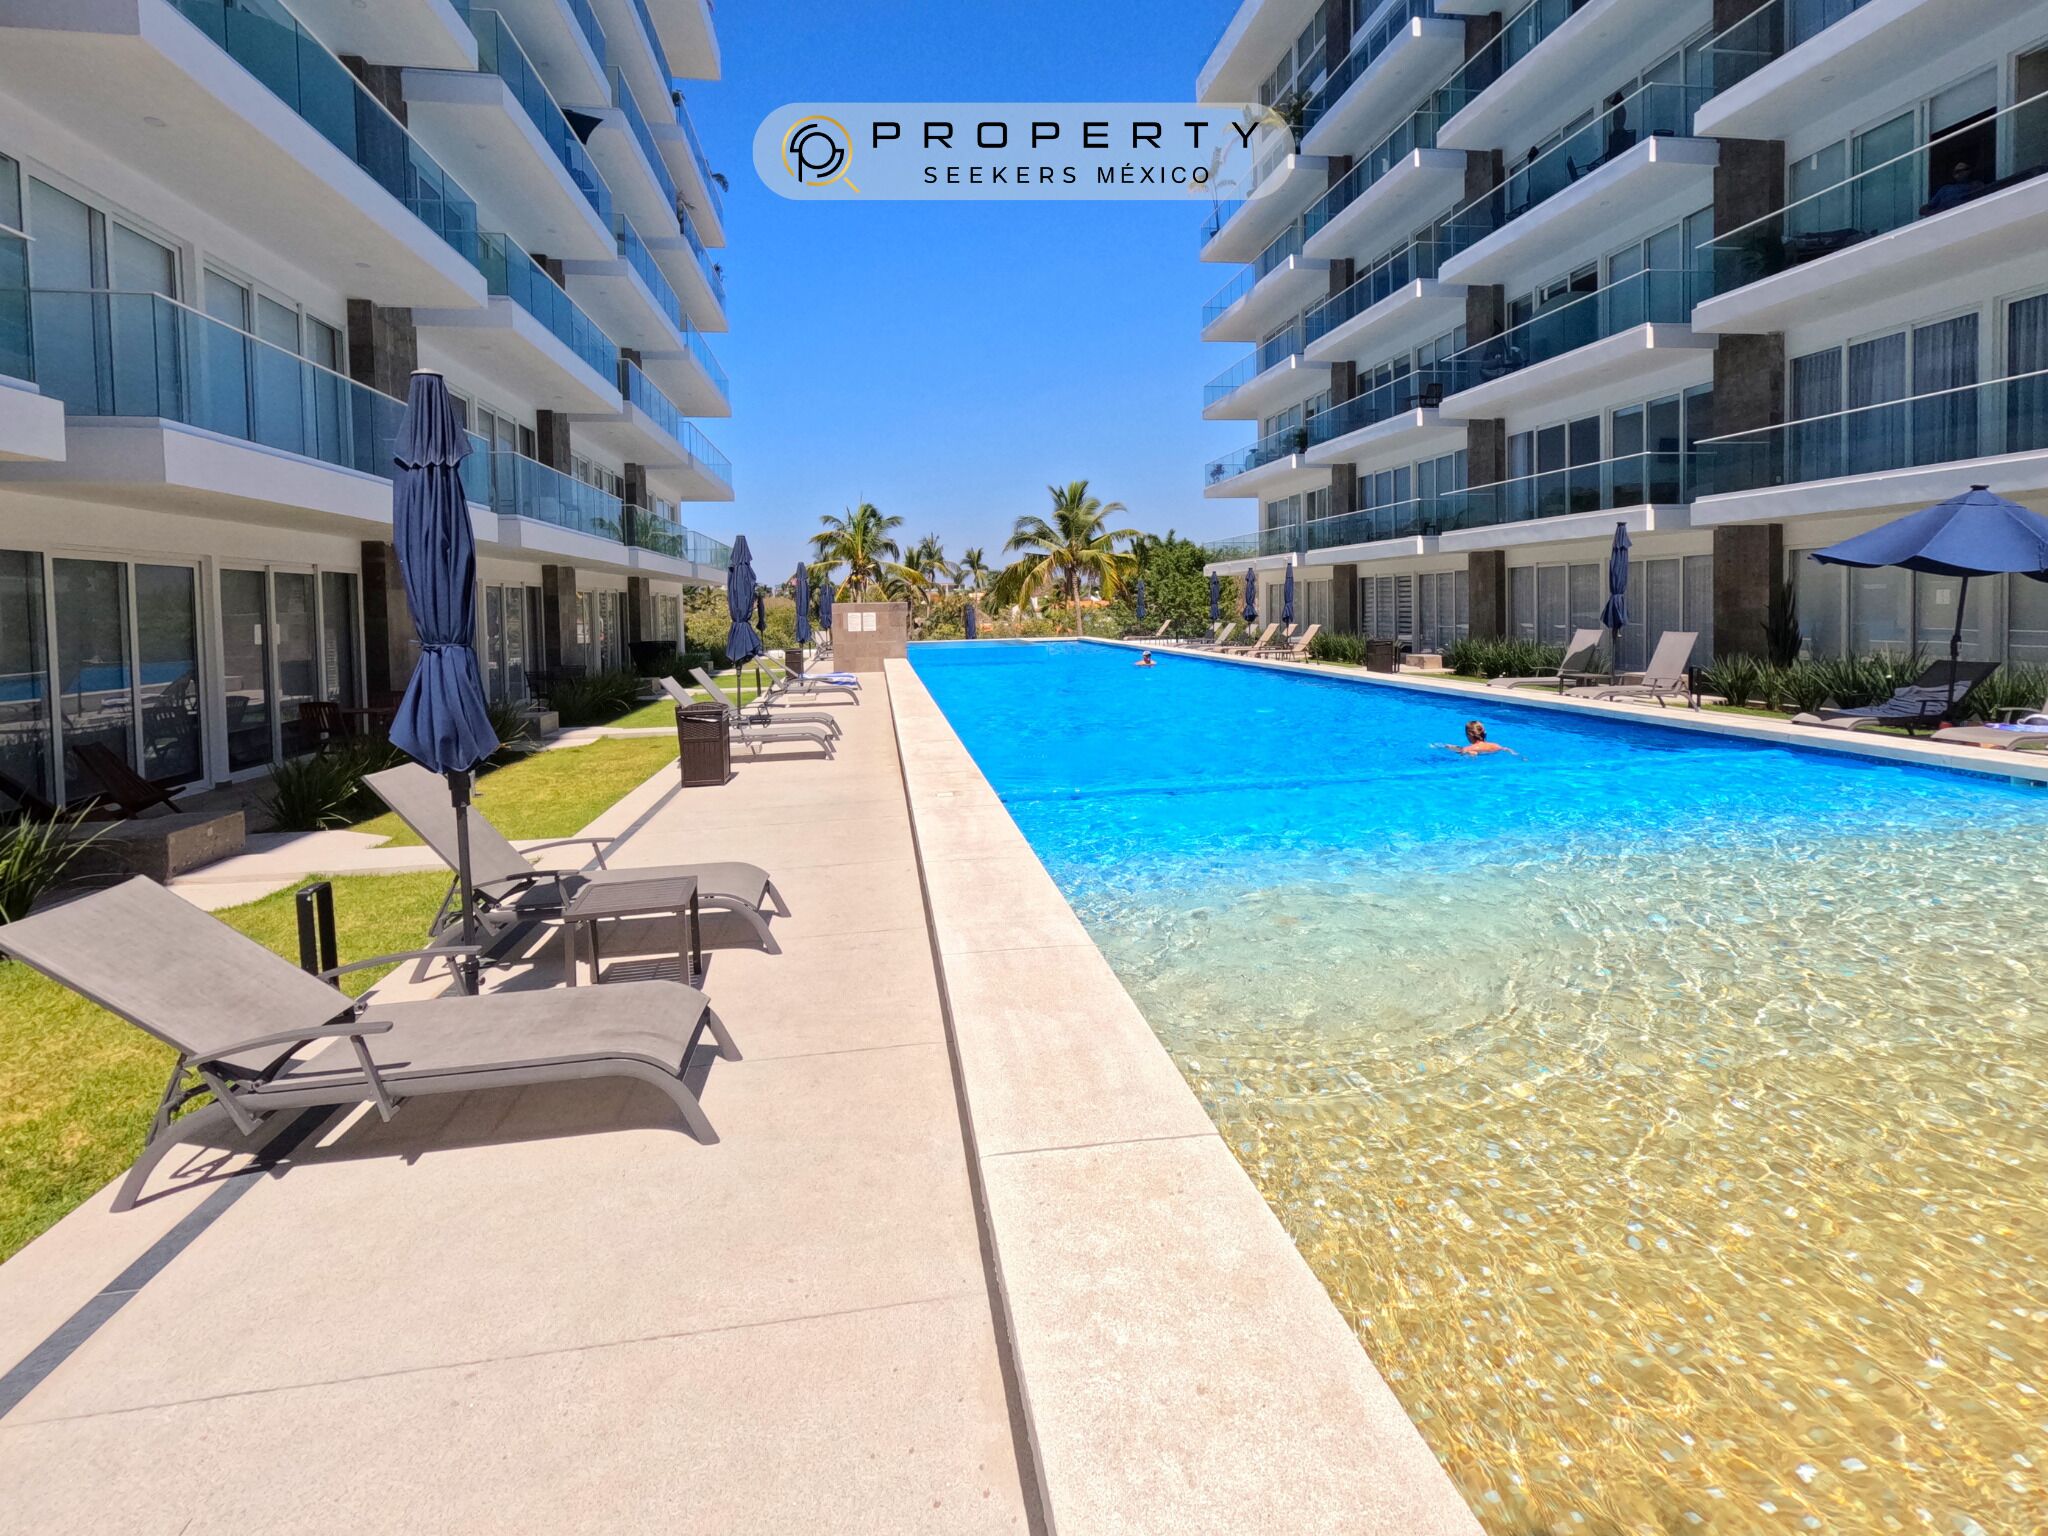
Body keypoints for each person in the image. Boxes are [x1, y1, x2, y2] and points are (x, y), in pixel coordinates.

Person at [1436, 720, 1511, 757]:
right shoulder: (1496, 745)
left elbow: (1462, 752)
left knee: (1463, 751)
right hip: (1491, 753)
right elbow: (1507, 749)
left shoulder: (1468, 748)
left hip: (1473, 753)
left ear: (1469, 735)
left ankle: (1443, 746)